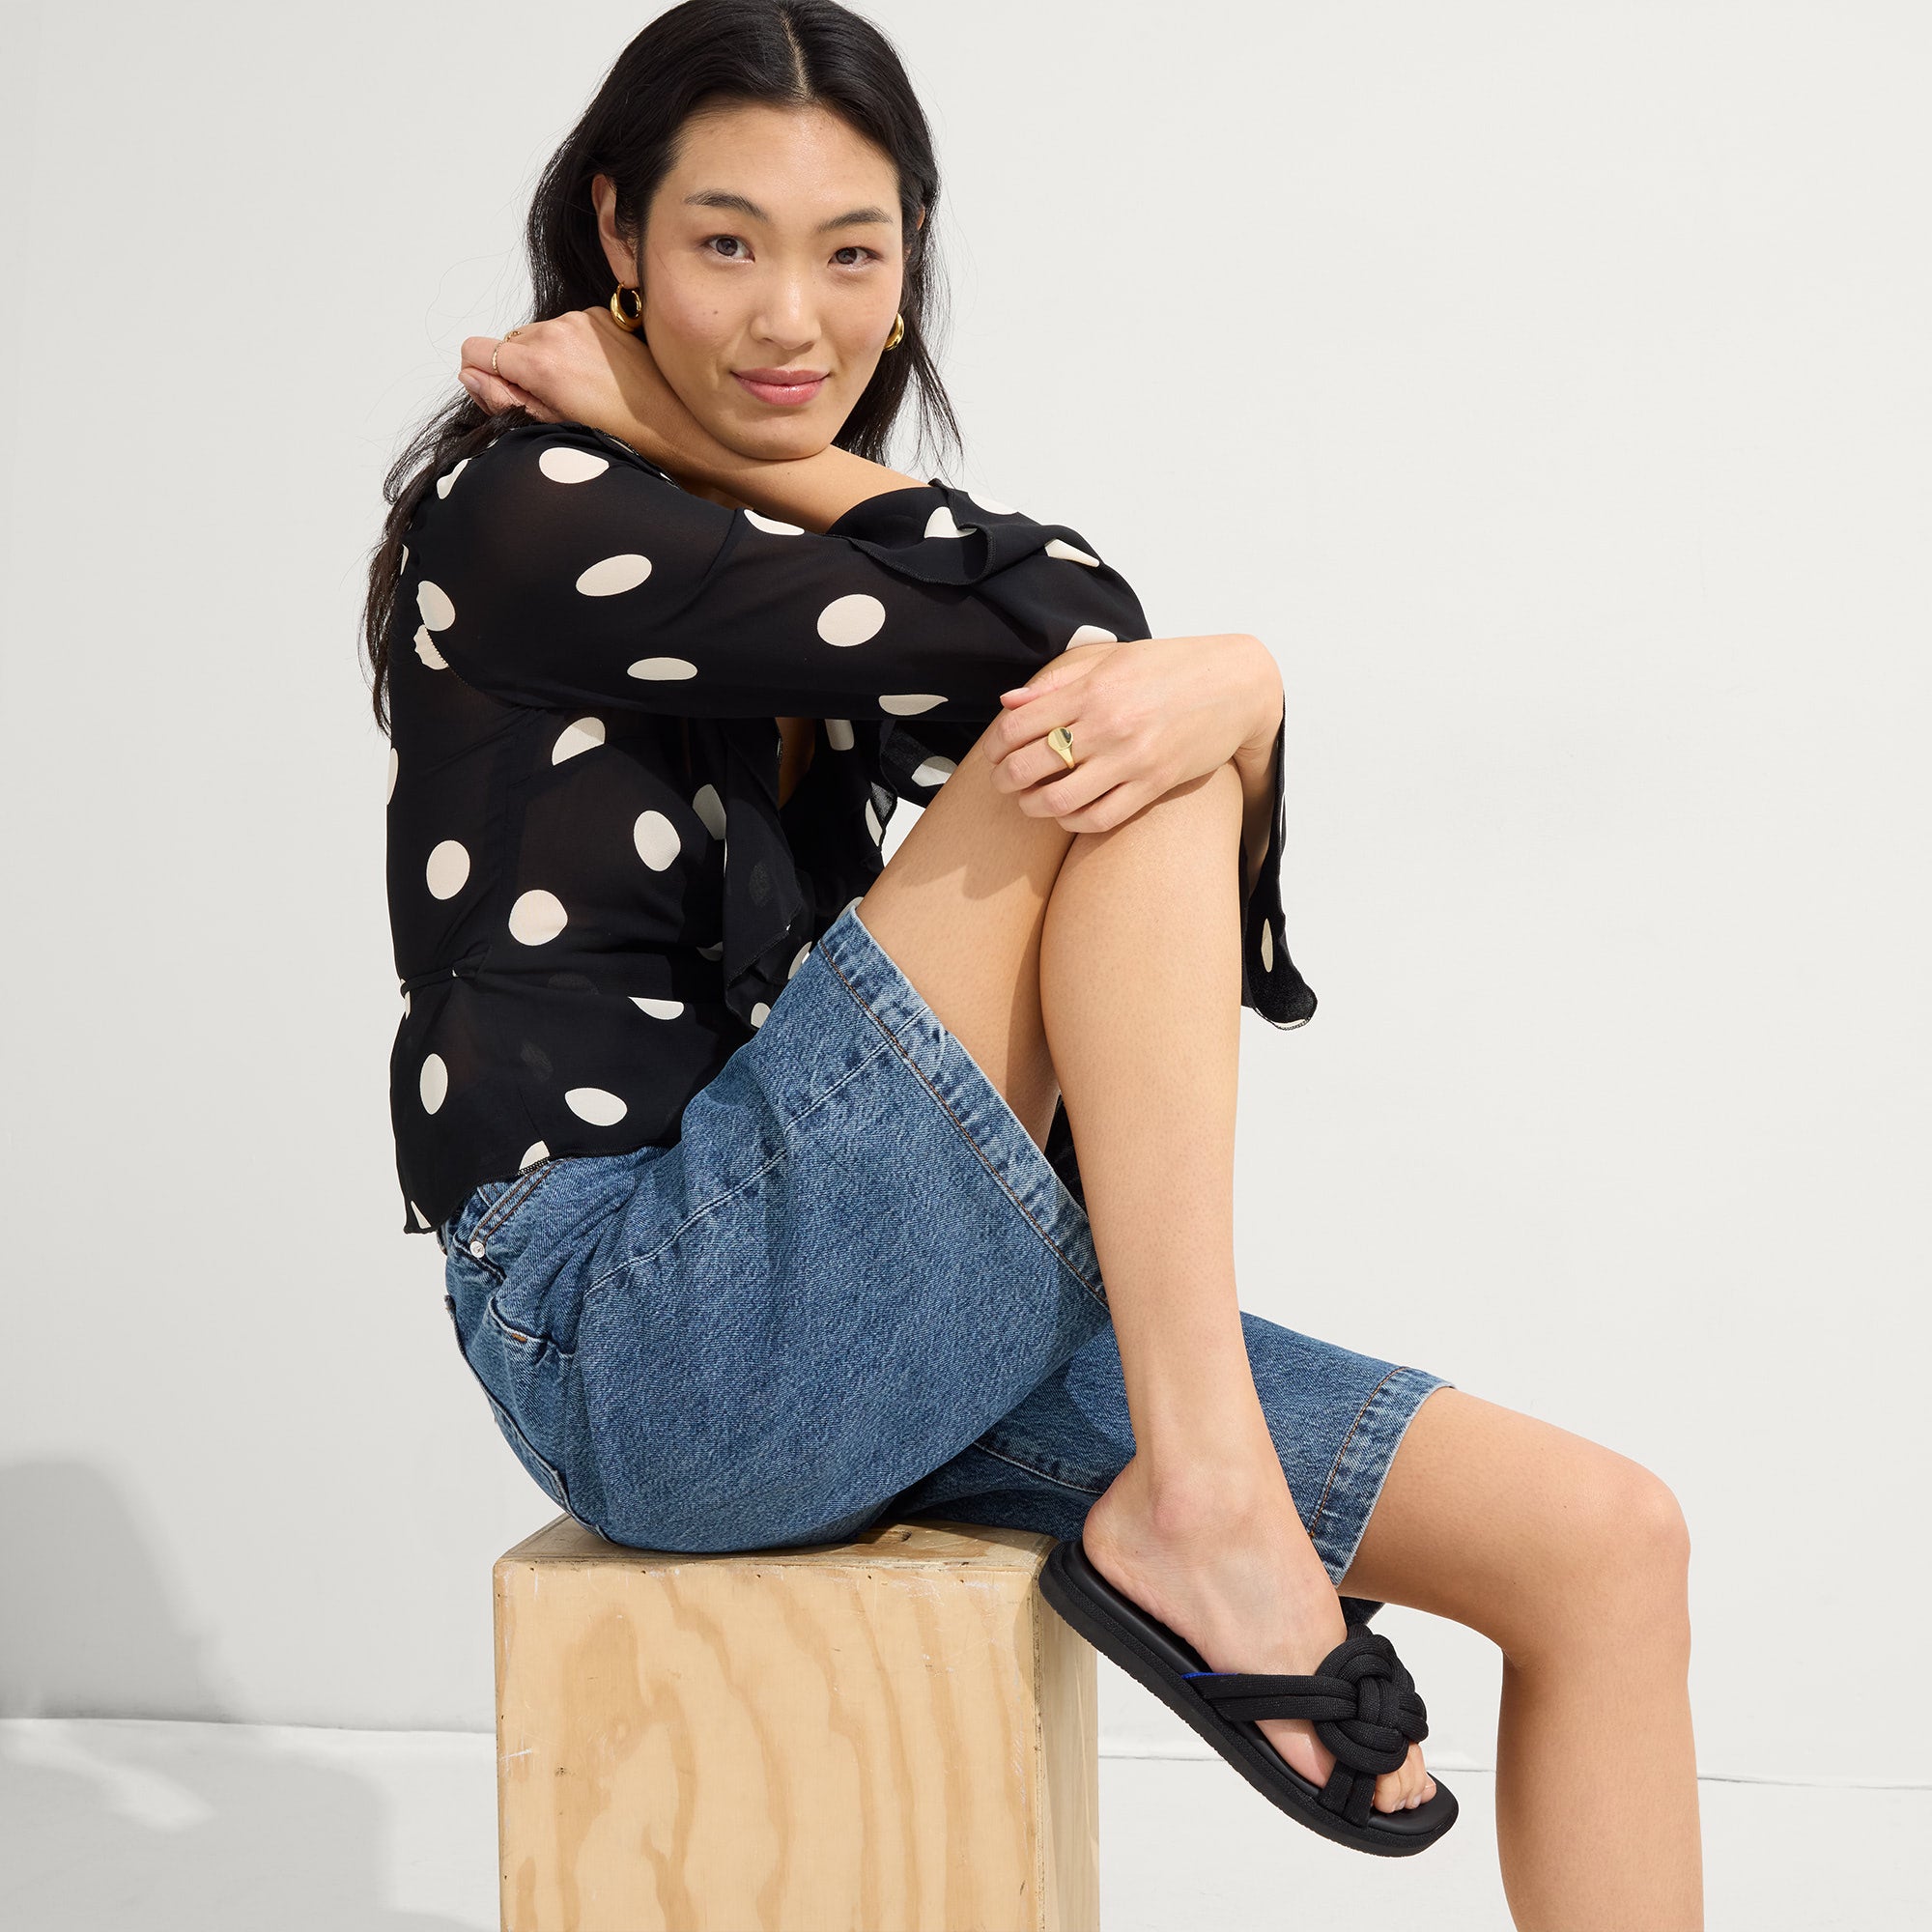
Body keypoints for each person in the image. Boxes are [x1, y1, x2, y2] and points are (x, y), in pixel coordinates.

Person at [362, 0, 1701, 1916]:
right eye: (727, 243)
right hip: (642, 1335)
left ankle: (1198, 1481)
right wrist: (1228, 678)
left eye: (851, 255)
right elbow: (1082, 654)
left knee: (1606, 1541)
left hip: (895, 1296)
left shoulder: (785, 546)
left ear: (909, 267)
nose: (790, 319)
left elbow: (1093, 635)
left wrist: (1223, 671)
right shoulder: (518, 509)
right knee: (1116, 735)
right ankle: (1207, 1494)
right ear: (615, 237)